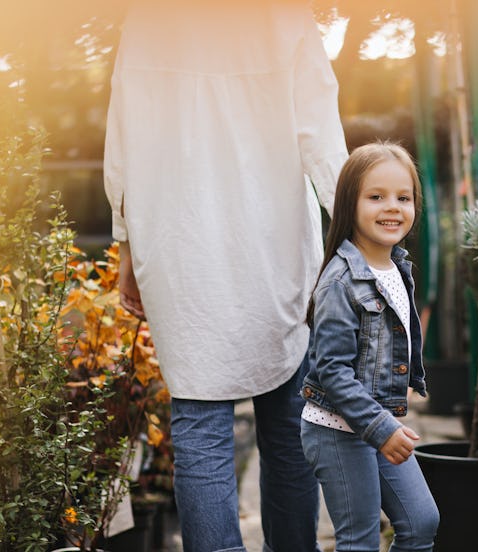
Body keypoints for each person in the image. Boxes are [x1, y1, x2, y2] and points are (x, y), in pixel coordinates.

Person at [103, 1, 348, 550]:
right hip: (274, 243)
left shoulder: (147, 19)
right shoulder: (286, 17)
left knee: (199, 426)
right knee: (288, 427)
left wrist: (125, 244)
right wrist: (356, 232)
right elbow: (322, 136)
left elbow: (122, 138)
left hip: (178, 245)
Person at [300, 142, 439, 551]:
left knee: (421, 522)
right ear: (349, 204)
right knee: (359, 539)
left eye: (403, 197)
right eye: (375, 197)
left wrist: (384, 425)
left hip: (381, 423)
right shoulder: (340, 282)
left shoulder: (397, 266)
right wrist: (380, 429)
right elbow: (333, 372)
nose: (392, 207)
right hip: (338, 430)